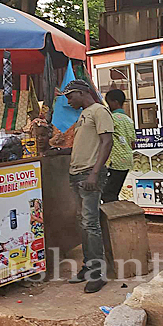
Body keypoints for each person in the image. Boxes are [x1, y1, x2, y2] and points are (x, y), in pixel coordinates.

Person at [48, 79, 113, 293]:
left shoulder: (99, 111)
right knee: (82, 222)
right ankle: (88, 265)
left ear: (82, 93)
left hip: (88, 174)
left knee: (90, 223)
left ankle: (98, 273)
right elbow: (85, 144)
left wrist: (94, 173)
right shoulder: (84, 114)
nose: (68, 101)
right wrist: (62, 152)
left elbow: (107, 142)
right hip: (77, 174)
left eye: (70, 96)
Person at [103, 89, 135, 203]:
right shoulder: (128, 120)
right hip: (126, 161)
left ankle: (111, 218)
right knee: (113, 192)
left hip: (114, 162)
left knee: (107, 194)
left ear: (115, 102)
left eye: (108, 102)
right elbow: (133, 143)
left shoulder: (111, 118)